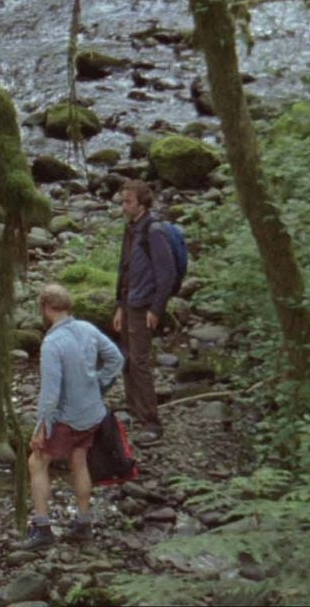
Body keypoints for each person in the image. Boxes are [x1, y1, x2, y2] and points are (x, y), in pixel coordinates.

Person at [19, 283, 124, 550]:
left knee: (37, 461)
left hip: (68, 417)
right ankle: (83, 523)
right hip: (92, 413)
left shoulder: (52, 343)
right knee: (79, 460)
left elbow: (51, 392)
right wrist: (99, 385)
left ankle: (42, 527)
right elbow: (116, 359)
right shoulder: (88, 329)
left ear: (45, 308)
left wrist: (41, 427)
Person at [112, 179, 176, 446]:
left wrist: (156, 309)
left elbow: (167, 273)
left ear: (141, 203)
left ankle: (152, 422)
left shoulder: (154, 231)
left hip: (143, 306)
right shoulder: (131, 229)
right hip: (128, 304)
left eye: (128, 201)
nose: (123, 206)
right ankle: (134, 409)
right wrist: (118, 305)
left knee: (139, 362)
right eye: (123, 200)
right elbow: (124, 269)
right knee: (126, 358)